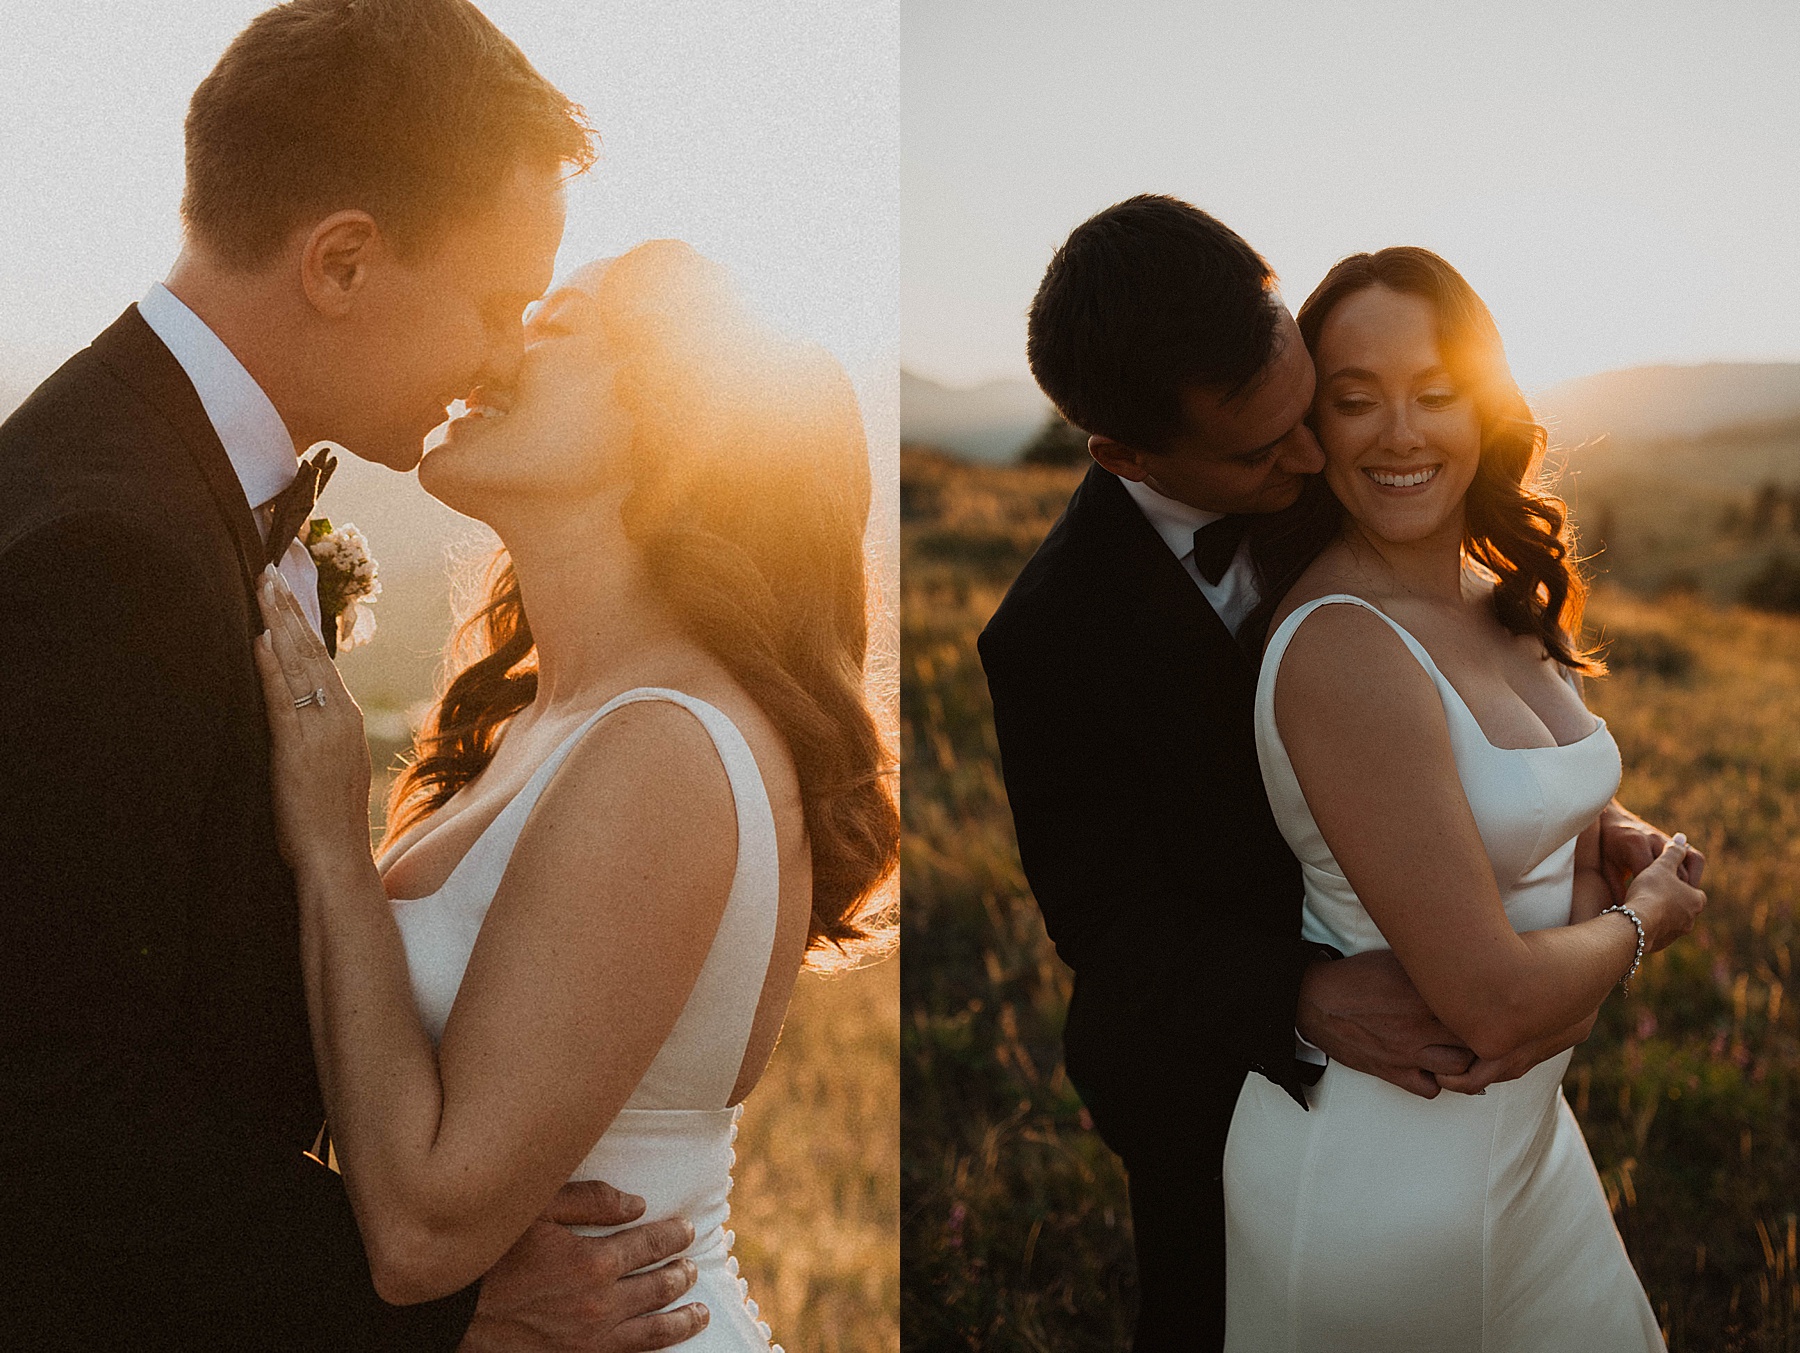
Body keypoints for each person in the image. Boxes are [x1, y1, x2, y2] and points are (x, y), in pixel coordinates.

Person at [0, 2, 705, 1347]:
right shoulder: (104, 552)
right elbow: (40, 1096)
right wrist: (453, 1308)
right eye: (499, 305)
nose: (509, 355)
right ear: (340, 264)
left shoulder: (142, 479)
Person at [977, 195, 1699, 1351]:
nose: (1318, 453)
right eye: (1270, 446)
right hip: (1230, 1070)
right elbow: (1105, 919)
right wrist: (1297, 993)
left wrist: (1577, 813)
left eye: (1312, 399)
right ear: (1128, 454)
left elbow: (1446, 717)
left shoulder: (1361, 484)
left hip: (1502, 1118)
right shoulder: (1053, 634)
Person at [250, 239, 898, 1353]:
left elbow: (421, 1231)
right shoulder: (540, 724)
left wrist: (326, 843)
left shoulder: (667, 751)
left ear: (672, 425)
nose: (492, 351)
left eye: (551, 329)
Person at [1224, 246, 1702, 1350]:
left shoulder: (1498, 597)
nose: (1401, 433)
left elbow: (1513, 793)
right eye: (1356, 401)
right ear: (1312, 426)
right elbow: (1488, 1008)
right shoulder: (1343, 647)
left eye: (1435, 394)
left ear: (1483, 405)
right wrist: (1650, 921)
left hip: (1532, 1154)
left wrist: (1609, 828)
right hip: (1379, 1187)